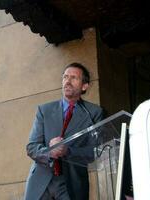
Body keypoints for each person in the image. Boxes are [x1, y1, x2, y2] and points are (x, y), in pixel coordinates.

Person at [24, 63, 104, 200]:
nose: (67, 81)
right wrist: (50, 151)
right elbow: (31, 147)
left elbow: (96, 151)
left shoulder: (94, 113)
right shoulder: (44, 110)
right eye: (65, 77)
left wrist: (67, 150)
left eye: (74, 78)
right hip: (40, 181)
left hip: (73, 183)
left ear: (84, 86)